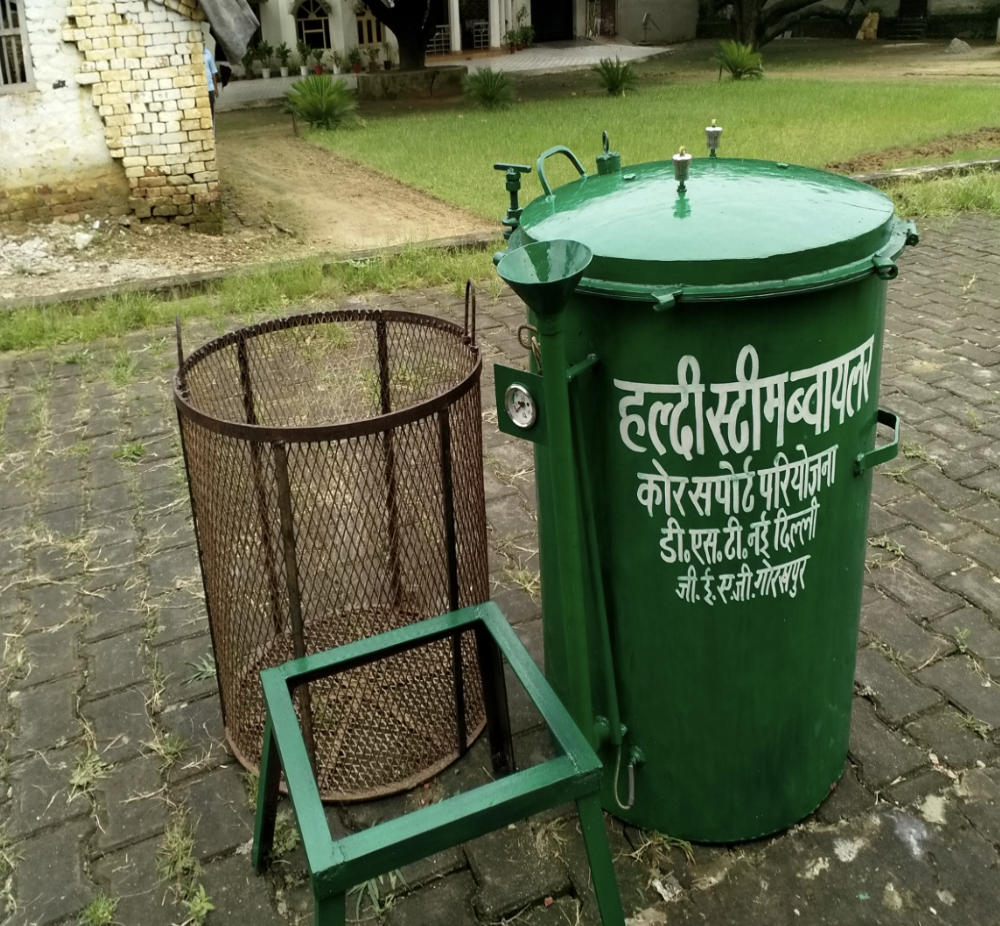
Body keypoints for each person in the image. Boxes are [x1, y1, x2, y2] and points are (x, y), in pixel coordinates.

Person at [203, 41, 220, 133]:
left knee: (211, 112)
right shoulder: (194, 54)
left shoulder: (208, 53)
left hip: (209, 88)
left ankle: (212, 135)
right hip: (200, 90)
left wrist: (216, 88)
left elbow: (213, 71)